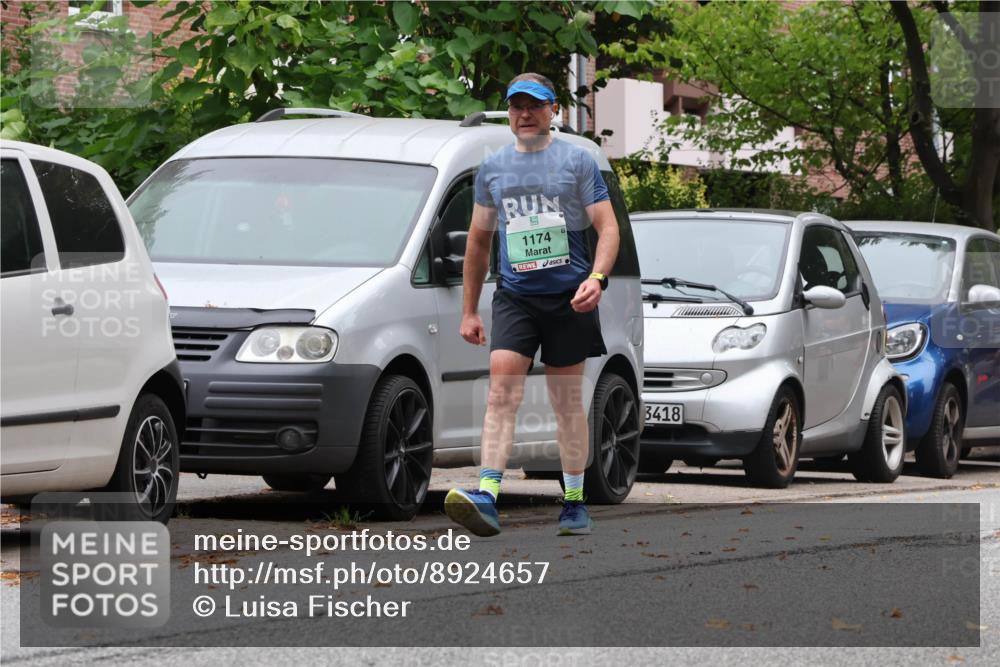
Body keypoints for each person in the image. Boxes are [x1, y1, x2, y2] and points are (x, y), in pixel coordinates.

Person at [444, 72, 620, 537]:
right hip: (516, 297)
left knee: (566, 403)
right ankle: (487, 495)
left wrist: (597, 279)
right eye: (516, 106)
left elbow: (608, 229)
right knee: (502, 395)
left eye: (534, 105)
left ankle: (575, 501)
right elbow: (479, 243)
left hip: (570, 300)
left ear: (552, 110)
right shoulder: (493, 168)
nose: (524, 114)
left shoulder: (577, 162)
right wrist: (469, 310)